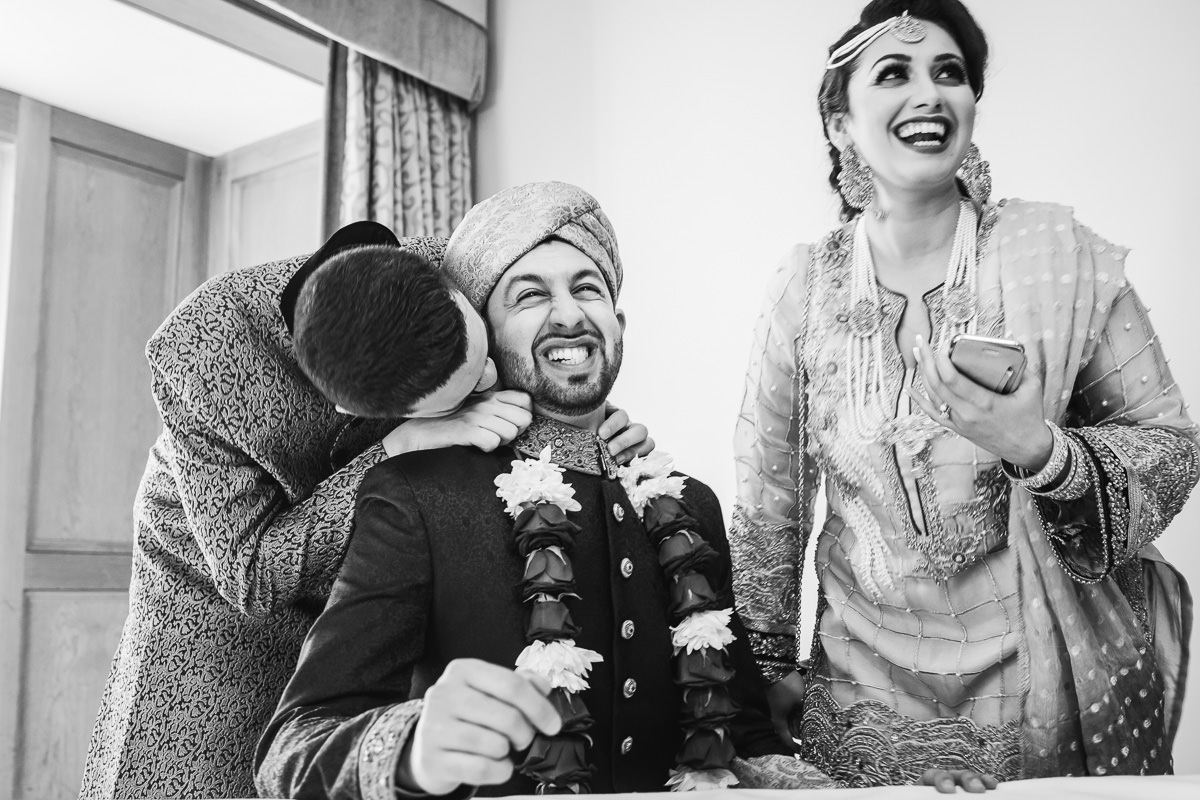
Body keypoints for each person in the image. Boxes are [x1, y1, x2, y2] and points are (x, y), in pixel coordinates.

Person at [729, 0, 1198, 792]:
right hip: (858, 695)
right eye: (894, 74)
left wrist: (1039, 449)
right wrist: (766, 665)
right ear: (840, 122)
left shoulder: (1057, 256)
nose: (929, 93)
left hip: (1036, 688)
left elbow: (1170, 448)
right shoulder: (803, 289)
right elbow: (768, 503)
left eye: (950, 73)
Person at [254, 181, 834, 798]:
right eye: (529, 294)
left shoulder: (691, 504)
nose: (569, 313)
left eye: (588, 288)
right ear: (482, 330)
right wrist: (412, 744)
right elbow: (293, 749)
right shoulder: (417, 495)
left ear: (619, 323)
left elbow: (744, 734)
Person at [80, 221, 651, 799]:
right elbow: (251, 576)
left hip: (372, 585)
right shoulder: (196, 353)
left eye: (478, 354)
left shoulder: (450, 261)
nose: (488, 379)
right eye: (460, 394)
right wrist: (397, 449)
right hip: (218, 619)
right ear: (350, 410)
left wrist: (597, 433)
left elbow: (533, 357)